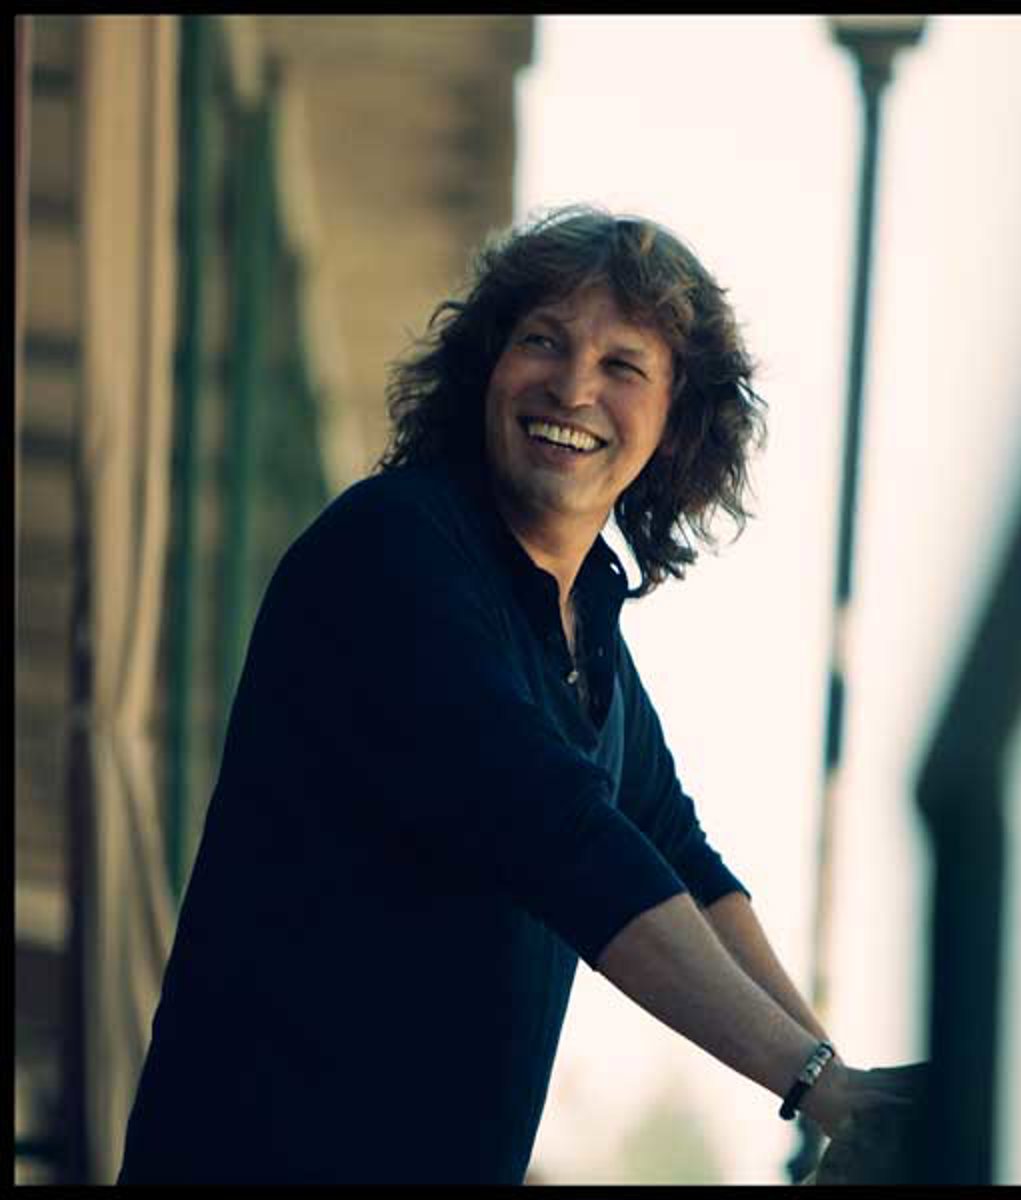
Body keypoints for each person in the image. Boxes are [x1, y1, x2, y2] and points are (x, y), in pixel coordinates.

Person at [117, 205, 912, 1184]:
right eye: (543, 341)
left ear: (676, 423)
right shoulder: (392, 552)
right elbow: (558, 832)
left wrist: (845, 1095)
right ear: (486, 368)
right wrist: (820, 1084)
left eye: (623, 365)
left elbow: (682, 862)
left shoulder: (590, 640)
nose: (573, 387)